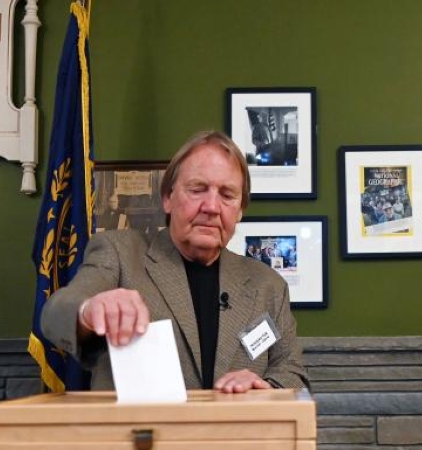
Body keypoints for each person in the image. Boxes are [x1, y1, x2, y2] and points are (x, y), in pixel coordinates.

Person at [41, 130, 309, 394]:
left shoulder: (268, 286)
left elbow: (293, 374)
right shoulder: (120, 254)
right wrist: (89, 310)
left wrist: (264, 387)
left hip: (237, 425)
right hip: (141, 425)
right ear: (168, 198)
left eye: (227, 195)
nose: (212, 207)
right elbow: (55, 315)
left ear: (239, 211)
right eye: (197, 189)